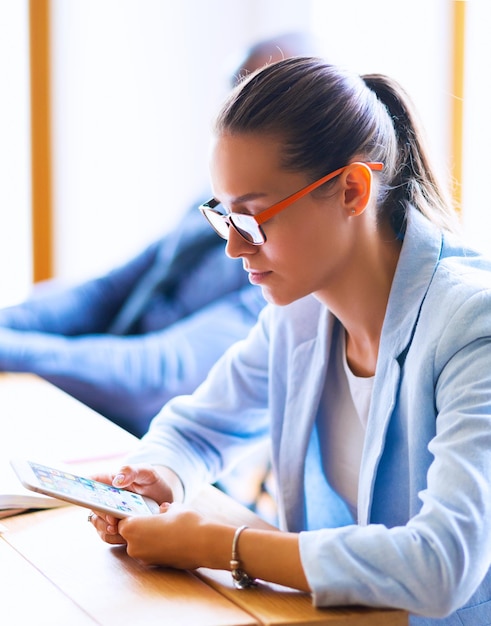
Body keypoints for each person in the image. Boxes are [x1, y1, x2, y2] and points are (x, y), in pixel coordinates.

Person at [89, 56, 491, 624]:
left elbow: (442, 565)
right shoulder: (300, 312)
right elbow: (199, 426)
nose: (234, 247)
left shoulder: (474, 323)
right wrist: (158, 476)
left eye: (254, 220)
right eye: (225, 218)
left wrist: (218, 545)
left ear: (352, 190)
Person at [0, 32, 317, 439]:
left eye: (266, 107)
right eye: (236, 100)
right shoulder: (207, 208)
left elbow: (155, 376)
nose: (243, 119)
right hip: (84, 417)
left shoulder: (292, 264)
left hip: (156, 451)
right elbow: (102, 292)